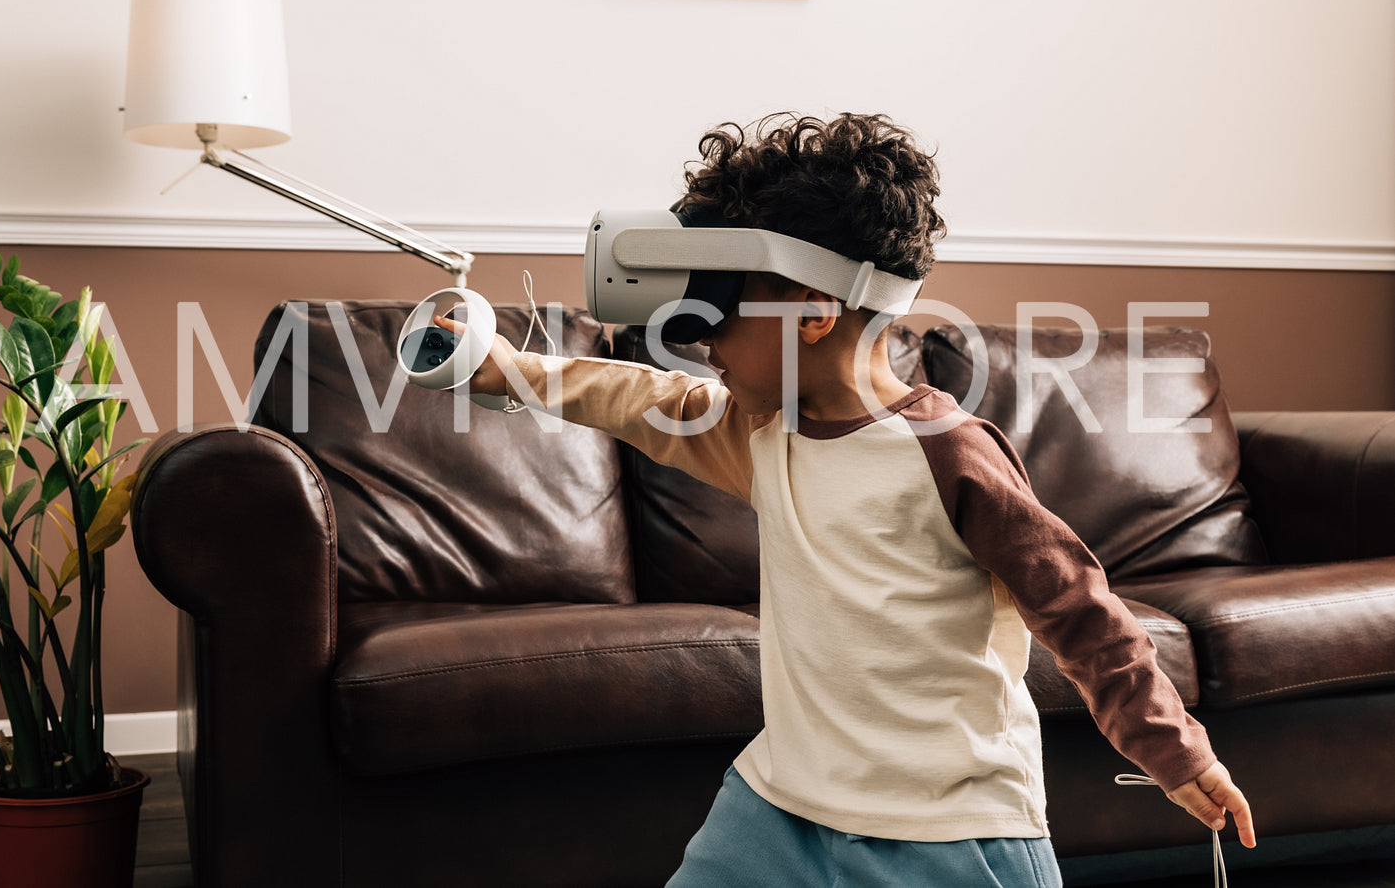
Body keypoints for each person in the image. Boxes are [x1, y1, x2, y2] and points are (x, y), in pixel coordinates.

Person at [448, 113, 1254, 886]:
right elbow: (630, 395)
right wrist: (498, 368)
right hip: (777, 808)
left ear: (809, 312)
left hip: (949, 830)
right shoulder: (761, 432)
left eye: (720, 308)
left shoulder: (948, 455)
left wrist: (1175, 751)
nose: (699, 341)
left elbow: (1079, 611)